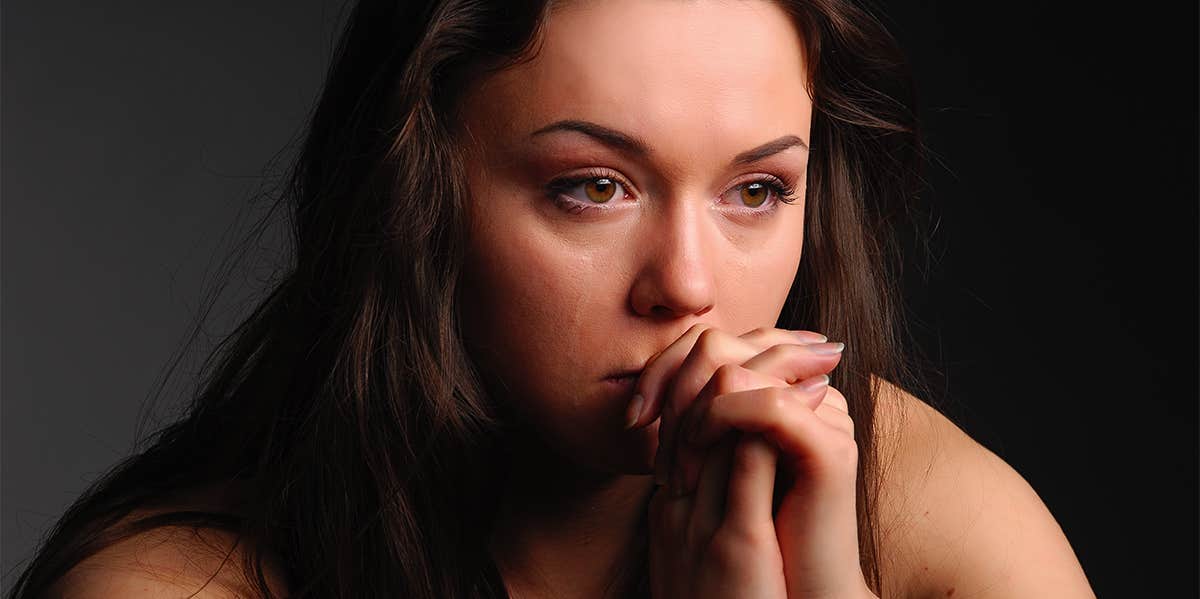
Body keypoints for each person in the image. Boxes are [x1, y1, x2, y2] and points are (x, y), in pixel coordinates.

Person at [8, 0, 1097, 597]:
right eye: (593, 188)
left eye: (757, 190)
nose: (689, 282)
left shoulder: (904, 496)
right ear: (415, 200)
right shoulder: (172, 587)